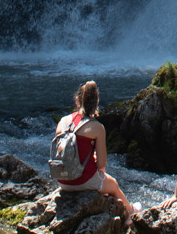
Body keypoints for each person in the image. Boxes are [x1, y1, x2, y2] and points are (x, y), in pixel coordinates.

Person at [53, 80, 136, 222]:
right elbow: (101, 165)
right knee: (114, 185)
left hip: (62, 180)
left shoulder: (63, 121)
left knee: (103, 183)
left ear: (77, 100)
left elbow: (60, 153)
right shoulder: (97, 127)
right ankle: (130, 214)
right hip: (83, 180)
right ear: (96, 102)